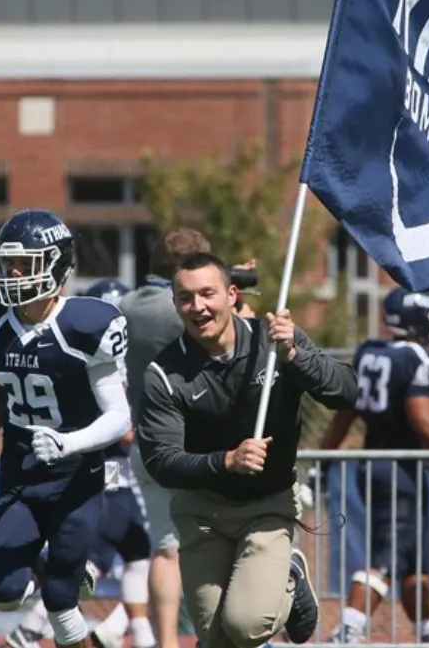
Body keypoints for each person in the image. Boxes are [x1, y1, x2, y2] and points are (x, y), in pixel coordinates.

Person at [137, 252, 358, 648]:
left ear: (232, 294)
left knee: (244, 625)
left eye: (208, 294)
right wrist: (226, 461)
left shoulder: (274, 340)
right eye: (185, 297)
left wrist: (297, 357)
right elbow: (162, 462)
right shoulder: (163, 374)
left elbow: (346, 391)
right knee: (215, 637)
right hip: (201, 512)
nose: (198, 307)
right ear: (175, 304)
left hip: (267, 505)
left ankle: (286, 574)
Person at [0, 209, 133, 648]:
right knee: (2, 594)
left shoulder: (86, 325)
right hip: (20, 473)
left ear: (56, 264)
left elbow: (119, 415)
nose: (14, 274)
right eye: (9, 263)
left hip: (75, 477)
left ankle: (64, 581)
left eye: (26, 263)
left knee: (60, 598)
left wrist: (69, 441)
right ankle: (50, 563)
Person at [320, 288, 429, 644]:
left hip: (378, 464)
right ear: (417, 321)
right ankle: (348, 629)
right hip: (400, 468)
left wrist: (324, 460)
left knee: (414, 563)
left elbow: (344, 416)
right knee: (386, 559)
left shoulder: (370, 352)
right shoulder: (418, 357)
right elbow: (423, 420)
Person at [118, 227, 215, 648]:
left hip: (147, 441)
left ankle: (166, 643)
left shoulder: (124, 306)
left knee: (166, 550)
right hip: (196, 442)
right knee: (218, 544)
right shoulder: (184, 310)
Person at [80, 277, 156, 648]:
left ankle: (127, 635)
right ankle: (27, 633)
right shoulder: (97, 362)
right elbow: (120, 429)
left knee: (141, 555)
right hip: (105, 475)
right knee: (90, 565)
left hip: (119, 474)